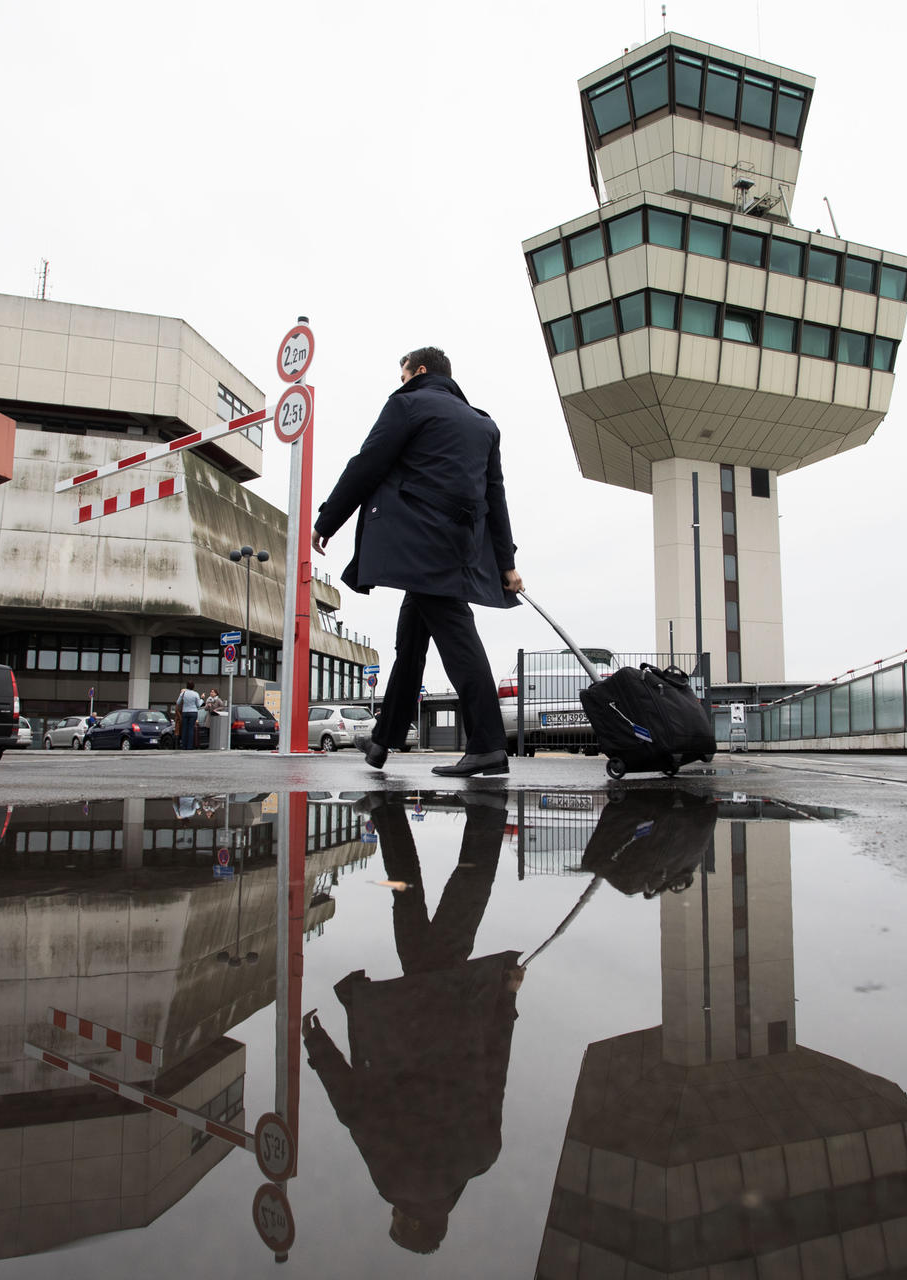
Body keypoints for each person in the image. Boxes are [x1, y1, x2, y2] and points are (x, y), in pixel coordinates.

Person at [302, 793, 522, 1254]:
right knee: (417, 901)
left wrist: (504, 1000)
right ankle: (444, 815)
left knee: (428, 904)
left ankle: (429, 815)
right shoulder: (395, 1180)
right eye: (397, 1221)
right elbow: (354, 1110)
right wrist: (318, 1048)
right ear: (409, 1221)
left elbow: (494, 1070)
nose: (394, 1211)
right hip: (404, 1022)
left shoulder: (480, 1158)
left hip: (454, 1011)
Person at [313, 346, 523, 777]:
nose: (400, 381)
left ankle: (486, 744)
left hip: (418, 543)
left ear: (419, 371)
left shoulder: (407, 404)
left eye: (402, 374)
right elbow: (495, 498)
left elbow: (367, 464)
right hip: (458, 546)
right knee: (411, 639)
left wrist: (329, 519)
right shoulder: (483, 424)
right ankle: (384, 739)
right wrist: (507, 564)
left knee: (456, 635)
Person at [174, 682, 201, 750]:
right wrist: (202, 699)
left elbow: (178, 702)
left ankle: (184, 745)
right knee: (191, 729)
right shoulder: (196, 694)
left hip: (185, 712)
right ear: (193, 687)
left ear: (186, 686)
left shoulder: (183, 693)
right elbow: (198, 705)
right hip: (193, 712)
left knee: (184, 729)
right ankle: (189, 746)